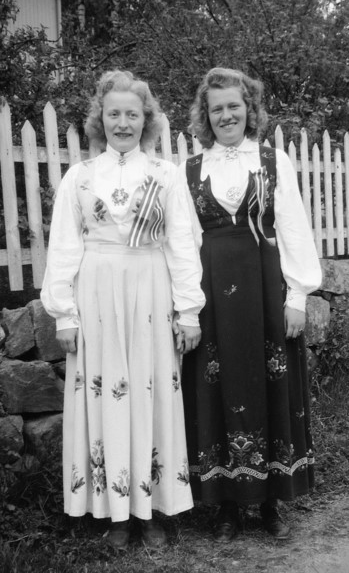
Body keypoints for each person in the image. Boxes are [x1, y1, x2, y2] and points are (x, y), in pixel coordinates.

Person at [40, 70, 205, 549]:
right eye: (114, 113)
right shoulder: (81, 176)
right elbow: (64, 248)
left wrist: (189, 310)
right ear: (100, 119)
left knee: (149, 393)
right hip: (95, 297)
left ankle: (149, 509)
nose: (123, 122)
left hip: (151, 293)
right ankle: (113, 513)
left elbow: (183, 245)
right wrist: (65, 315)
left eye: (132, 114)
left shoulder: (165, 175)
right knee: (105, 395)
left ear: (146, 120)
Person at [178, 67, 322, 542]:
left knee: (269, 384)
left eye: (234, 106)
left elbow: (294, 226)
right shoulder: (191, 170)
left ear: (249, 108)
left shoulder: (272, 160)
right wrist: (188, 306)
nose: (226, 115)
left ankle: (272, 501)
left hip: (264, 289)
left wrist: (297, 295)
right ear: (205, 115)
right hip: (213, 292)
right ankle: (226, 508)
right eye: (216, 108)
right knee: (217, 388)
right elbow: (185, 240)